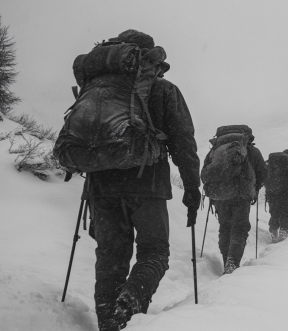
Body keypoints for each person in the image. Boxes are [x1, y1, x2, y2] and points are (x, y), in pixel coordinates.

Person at [77, 30, 201, 331]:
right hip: (147, 183)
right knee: (154, 252)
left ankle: (108, 320)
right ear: (149, 60)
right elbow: (183, 142)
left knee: (110, 256)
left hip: (101, 186)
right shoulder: (164, 90)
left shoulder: (94, 89)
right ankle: (129, 304)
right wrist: (192, 188)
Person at [201, 125, 267, 275]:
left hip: (220, 196)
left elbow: (205, 173)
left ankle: (227, 261)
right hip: (241, 194)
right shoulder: (251, 151)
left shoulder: (215, 150)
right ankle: (232, 263)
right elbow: (263, 172)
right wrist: (255, 187)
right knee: (239, 228)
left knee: (225, 228)